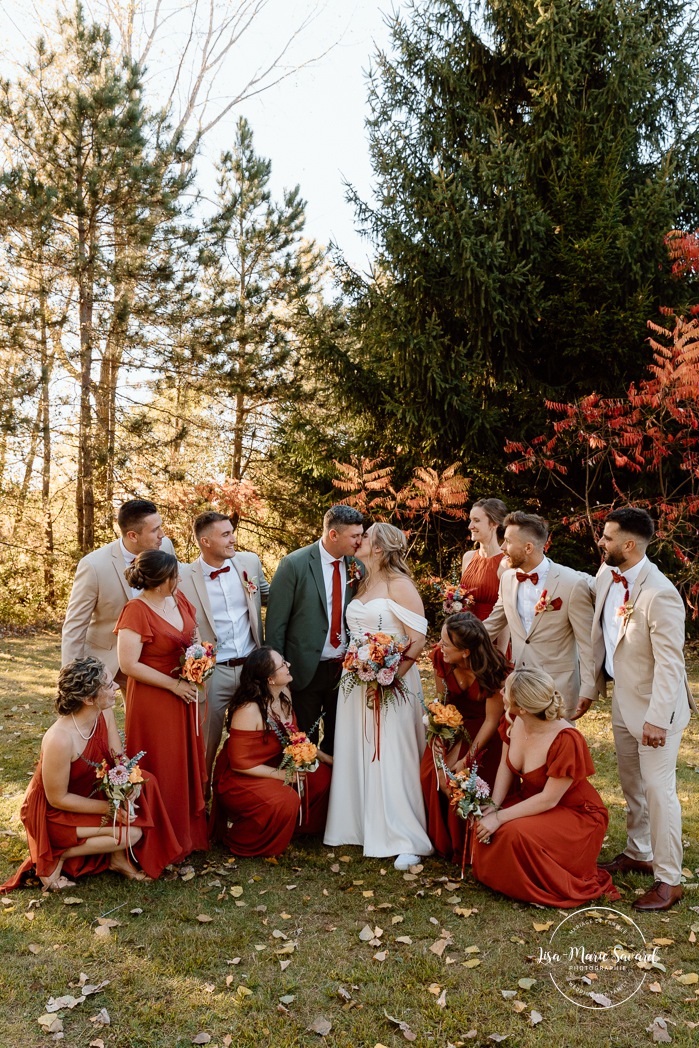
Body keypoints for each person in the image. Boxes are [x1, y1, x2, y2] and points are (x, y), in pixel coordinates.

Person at [1, 658, 181, 893]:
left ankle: (118, 860)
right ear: (88, 699)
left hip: (88, 791)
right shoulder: (60, 738)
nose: (116, 686)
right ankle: (58, 853)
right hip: (54, 812)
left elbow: (118, 756)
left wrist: (130, 779)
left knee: (146, 781)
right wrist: (111, 809)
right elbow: (57, 799)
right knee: (132, 833)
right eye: (108, 685)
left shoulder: (102, 713)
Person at [594, 507, 697, 911]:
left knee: (658, 791)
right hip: (623, 701)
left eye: (607, 537)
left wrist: (657, 717)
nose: (601, 542)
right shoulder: (606, 575)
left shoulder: (661, 594)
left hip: (659, 710)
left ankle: (669, 881)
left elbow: (671, 664)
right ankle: (639, 850)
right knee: (631, 782)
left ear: (629, 544)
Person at [323, 522, 432, 870]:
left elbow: (417, 639)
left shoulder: (400, 585)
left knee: (392, 753)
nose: (359, 540)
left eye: (365, 536)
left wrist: (388, 678)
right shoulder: (363, 581)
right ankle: (359, 825)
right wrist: (364, 671)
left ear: (381, 548)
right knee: (360, 748)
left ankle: (406, 836)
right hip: (357, 681)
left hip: (392, 683)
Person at [471, 668, 618, 908]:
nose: (501, 692)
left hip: (574, 813)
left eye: (506, 691)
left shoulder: (566, 739)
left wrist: (500, 817)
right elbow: (505, 767)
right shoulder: (512, 719)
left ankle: (527, 883)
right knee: (482, 821)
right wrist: (494, 806)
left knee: (511, 832)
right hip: (533, 802)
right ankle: (504, 878)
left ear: (524, 708)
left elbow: (549, 799)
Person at [115, 550, 208, 862]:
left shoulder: (179, 600)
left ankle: (187, 837)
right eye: (173, 576)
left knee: (183, 760)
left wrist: (199, 657)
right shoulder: (136, 610)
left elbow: (192, 635)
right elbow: (128, 664)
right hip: (154, 699)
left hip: (184, 692)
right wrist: (173, 685)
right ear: (157, 582)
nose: (178, 580)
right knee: (164, 762)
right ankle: (160, 840)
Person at [209, 647, 332, 857]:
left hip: (274, 763)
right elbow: (240, 763)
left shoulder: (284, 693)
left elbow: (294, 734)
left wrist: (322, 757)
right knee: (285, 799)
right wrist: (282, 775)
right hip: (240, 777)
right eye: (283, 664)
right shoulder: (248, 710)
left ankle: (294, 829)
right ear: (270, 679)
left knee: (322, 778)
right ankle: (245, 839)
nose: (289, 665)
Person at [265, 505, 365, 757]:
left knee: (338, 739)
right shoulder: (294, 564)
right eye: (354, 536)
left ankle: (333, 794)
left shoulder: (358, 566)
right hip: (303, 670)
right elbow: (276, 624)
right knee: (304, 740)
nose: (360, 541)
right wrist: (278, 673)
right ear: (333, 535)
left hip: (345, 670)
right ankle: (305, 793)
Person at [178, 512, 269, 782]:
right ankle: (200, 804)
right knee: (206, 743)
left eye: (232, 532)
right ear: (205, 541)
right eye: (226, 535)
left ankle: (246, 799)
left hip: (252, 668)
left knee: (256, 739)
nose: (233, 539)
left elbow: (267, 595)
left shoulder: (249, 562)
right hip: (212, 673)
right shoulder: (182, 576)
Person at [483, 511, 596, 720]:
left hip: (557, 688)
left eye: (507, 541)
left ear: (528, 547)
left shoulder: (571, 583)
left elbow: (588, 642)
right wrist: (460, 642)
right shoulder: (507, 579)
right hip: (520, 683)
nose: (502, 548)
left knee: (557, 749)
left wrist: (589, 688)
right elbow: (493, 623)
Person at [420, 612, 509, 864]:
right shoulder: (441, 658)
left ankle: (470, 844)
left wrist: (468, 758)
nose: (440, 647)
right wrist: (440, 738)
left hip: (484, 728)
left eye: (446, 643)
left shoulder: (494, 668)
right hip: (452, 723)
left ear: (466, 651)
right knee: (433, 773)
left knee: (462, 777)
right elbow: (442, 703)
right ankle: (441, 841)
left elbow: (492, 720)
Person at [61, 499, 176, 687]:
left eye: (160, 527)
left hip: (156, 660)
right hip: (109, 661)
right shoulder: (94, 566)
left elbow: (173, 595)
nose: (161, 535)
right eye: (155, 530)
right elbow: (75, 626)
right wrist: (71, 682)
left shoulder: (165, 547)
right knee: (102, 717)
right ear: (132, 535)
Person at [459, 498, 509, 621]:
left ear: (494, 524)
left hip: (491, 636)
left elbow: (506, 615)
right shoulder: (468, 557)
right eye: (471, 520)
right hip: (465, 632)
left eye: (476, 521)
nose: (470, 526)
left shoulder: (506, 563)